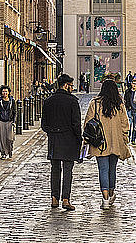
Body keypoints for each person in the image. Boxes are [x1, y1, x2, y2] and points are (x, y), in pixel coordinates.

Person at [84, 79, 130, 210]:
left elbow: (88, 122)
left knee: (103, 170)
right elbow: (125, 124)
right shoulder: (119, 104)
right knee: (112, 170)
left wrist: (86, 139)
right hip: (116, 141)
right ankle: (110, 194)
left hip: (100, 143)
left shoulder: (96, 103)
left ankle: (105, 199)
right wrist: (124, 139)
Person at [41, 74, 82, 211]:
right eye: (71, 85)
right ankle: (65, 199)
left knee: (55, 169)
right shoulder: (72, 101)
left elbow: (44, 124)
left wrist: (52, 132)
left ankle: (54, 198)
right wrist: (79, 138)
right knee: (67, 170)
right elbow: (76, 124)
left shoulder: (48, 101)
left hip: (54, 139)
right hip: (69, 139)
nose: (72, 88)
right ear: (65, 85)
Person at [0, 85, 16, 159]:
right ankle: (3, 153)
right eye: (3, 91)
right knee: (2, 139)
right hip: (1, 121)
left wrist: (14, 121)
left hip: (10, 121)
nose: (4, 93)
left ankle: (10, 151)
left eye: (6, 91)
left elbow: (15, 112)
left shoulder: (12, 101)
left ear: (8, 92)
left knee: (10, 138)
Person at [123, 78, 136, 145]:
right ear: (131, 84)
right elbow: (125, 99)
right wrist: (127, 106)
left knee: (135, 126)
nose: (134, 85)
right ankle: (128, 139)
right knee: (129, 125)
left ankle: (133, 139)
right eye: (133, 83)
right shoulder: (128, 91)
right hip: (129, 109)